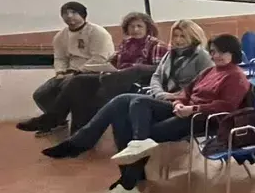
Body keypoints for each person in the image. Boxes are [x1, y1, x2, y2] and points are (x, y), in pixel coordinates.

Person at [45, 34, 250, 193]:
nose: (216, 56)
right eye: (213, 51)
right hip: (184, 110)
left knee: (128, 123)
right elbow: (187, 92)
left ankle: (125, 180)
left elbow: (227, 106)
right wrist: (179, 103)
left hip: (203, 119)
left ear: (233, 52)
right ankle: (126, 165)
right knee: (127, 101)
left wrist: (192, 108)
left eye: (221, 52)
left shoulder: (236, 77)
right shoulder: (210, 71)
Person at [19, 12, 167, 134]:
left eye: (139, 26)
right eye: (132, 26)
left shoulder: (156, 45)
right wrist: (101, 67)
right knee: (78, 82)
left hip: (135, 83)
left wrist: (134, 69)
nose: (135, 29)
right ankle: (61, 124)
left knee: (88, 92)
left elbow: (160, 69)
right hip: (113, 80)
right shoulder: (125, 44)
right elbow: (112, 63)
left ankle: (58, 123)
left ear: (148, 28)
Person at [25, 1, 116, 132]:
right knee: (41, 94)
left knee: (68, 88)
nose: (69, 16)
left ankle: (77, 127)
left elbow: (101, 58)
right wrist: (60, 72)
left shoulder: (97, 32)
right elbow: (60, 58)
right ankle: (58, 121)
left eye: (73, 12)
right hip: (69, 73)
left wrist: (78, 71)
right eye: (65, 13)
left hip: (94, 72)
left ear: (83, 14)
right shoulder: (60, 36)